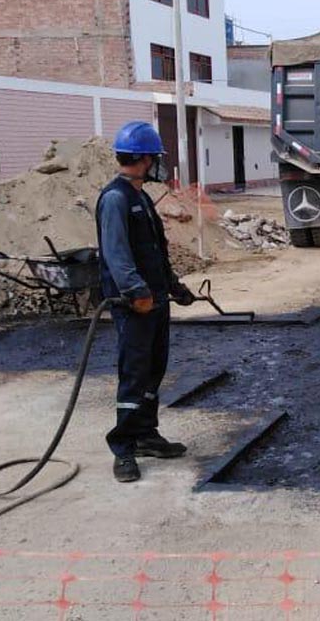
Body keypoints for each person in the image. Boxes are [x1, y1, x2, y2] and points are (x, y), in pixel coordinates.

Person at [96, 121, 196, 483]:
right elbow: (117, 255)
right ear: (140, 158)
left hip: (154, 301)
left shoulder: (140, 196)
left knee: (154, 370)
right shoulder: (115, 199)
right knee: (134, 374)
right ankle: (123, 448)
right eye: (154, 157)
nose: (158, 164)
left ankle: (146, 435)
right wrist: (137, 292)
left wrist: (174, 287)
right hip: (134, 305)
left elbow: (155, 252)